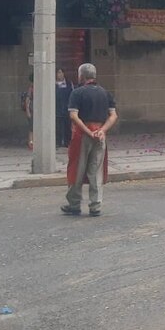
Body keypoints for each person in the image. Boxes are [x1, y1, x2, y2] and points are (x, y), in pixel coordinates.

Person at [61, 63, 118, 217]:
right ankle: (95, 205)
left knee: (76, 170)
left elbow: (73, 115)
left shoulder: (77, 93)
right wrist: (102, 130)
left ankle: (74, 204)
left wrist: (88, 131)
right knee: (96, 171)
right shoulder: (105, 93)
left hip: (82, 136)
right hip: (100, 136)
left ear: (81, 76)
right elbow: (113, 115)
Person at [55, 69, 74, 147]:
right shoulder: (53, 84)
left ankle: (67, 142)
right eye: (57, 73)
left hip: (67, 107)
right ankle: (58, 142)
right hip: (57, 108)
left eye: (60, 72)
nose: (59, 75)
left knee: (67, 125)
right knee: (58, 126)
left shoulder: (69, 83)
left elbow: (73, 94)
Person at [22, 74, 34, 150]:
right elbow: (27, 101)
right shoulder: (31, 88)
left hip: (35, 110)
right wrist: (28, 111)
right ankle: (31, 142)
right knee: (31, 128)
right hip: (32, 110)